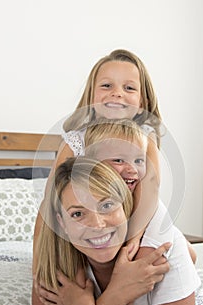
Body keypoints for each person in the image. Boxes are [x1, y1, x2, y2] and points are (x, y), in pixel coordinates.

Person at [33, 157, 200, 305]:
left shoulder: (162, 252)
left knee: (184, 251)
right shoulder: (54, 258)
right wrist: (114, 298)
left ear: (125, 206)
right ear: (62, 223)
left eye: (106, 205)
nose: (97, 225)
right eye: (78, 214)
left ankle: (190, 252)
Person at [33, 49, 162, 274]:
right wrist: (40, 257)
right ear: (91, 94)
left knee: (157, 259)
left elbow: (151, 184)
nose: (117, 94)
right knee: (72, 270)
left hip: (138, 219)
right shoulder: (76, 139)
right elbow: (51, 195)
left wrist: (134, 239)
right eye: (106, 86)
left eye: (129, 88)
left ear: (144, 100)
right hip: (93, 225)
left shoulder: (144, 135)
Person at [84, 117, 196, 262]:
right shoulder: (87, 199)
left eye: (139, 160)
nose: (132, 169)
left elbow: (189, 256)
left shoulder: (145, 202)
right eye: (118, 160)